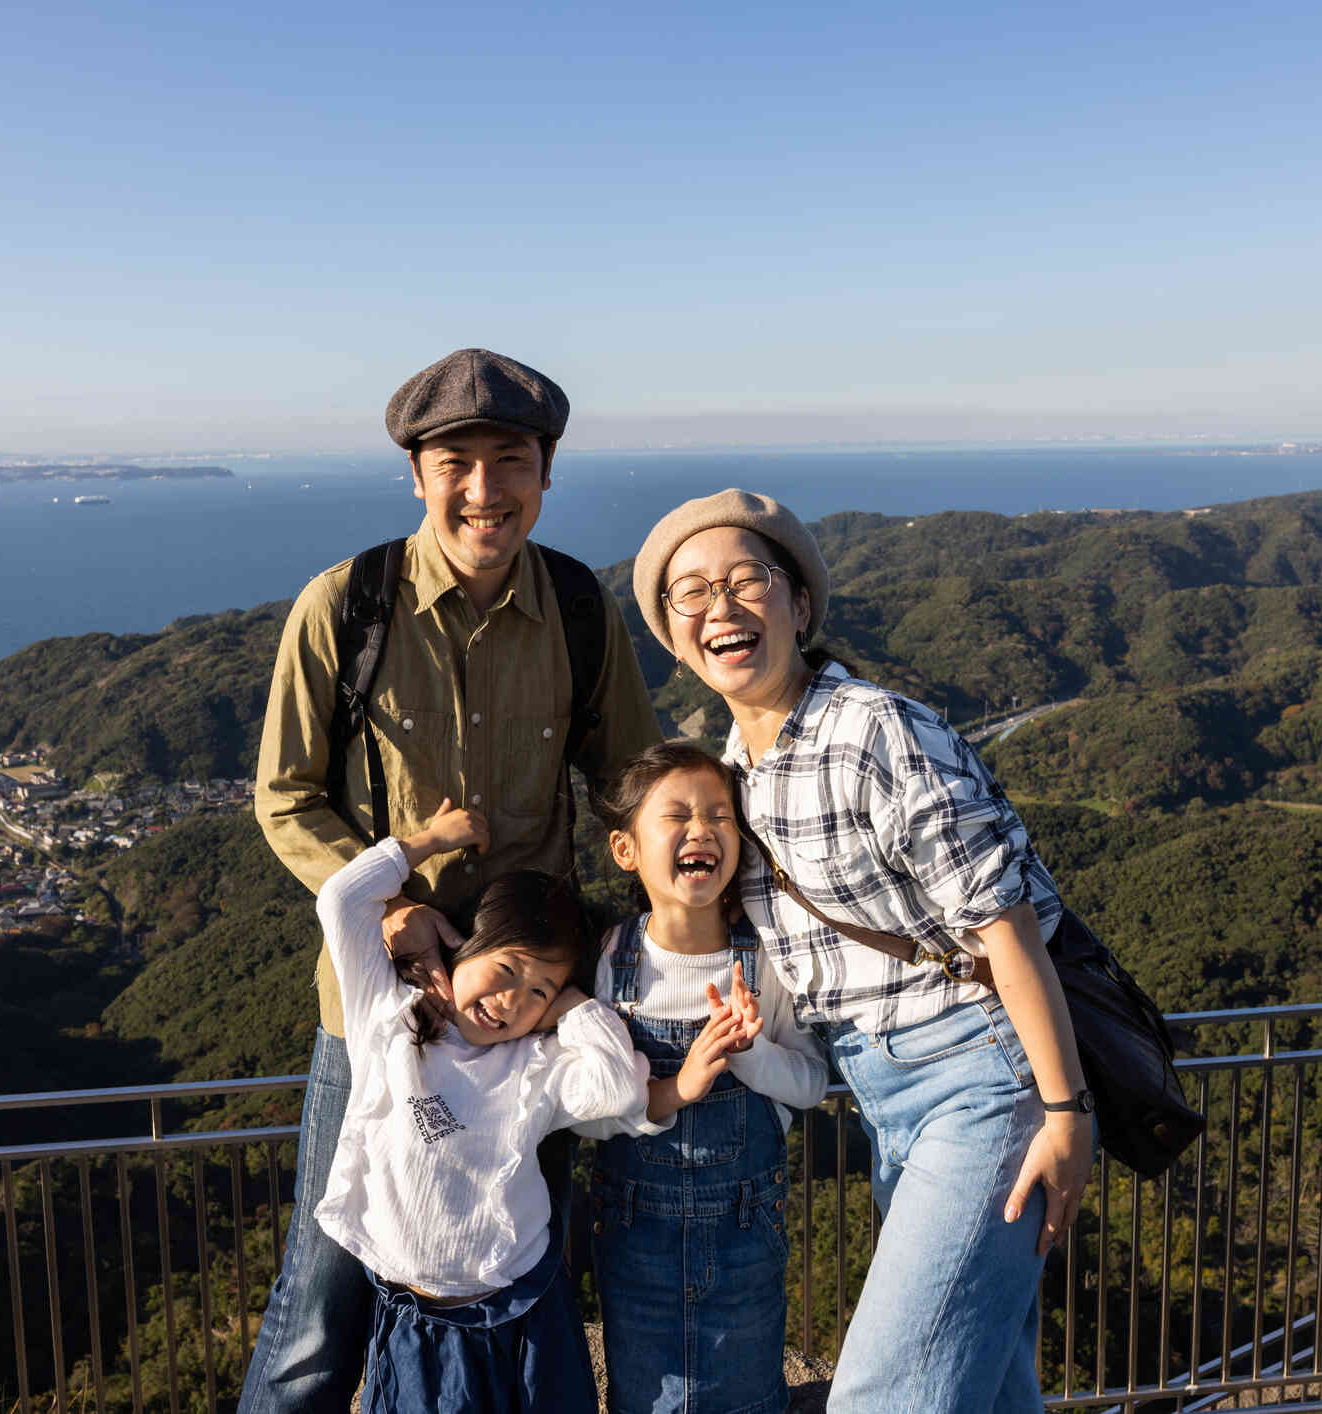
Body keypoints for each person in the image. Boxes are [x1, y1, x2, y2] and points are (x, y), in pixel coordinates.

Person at [243, 348, 661, 1413]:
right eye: (456, 462)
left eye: (509, 460)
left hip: (529, 1011)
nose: (484, 489)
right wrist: (392, 901)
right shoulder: (346, 604)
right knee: (322, 1300)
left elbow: (626, 783)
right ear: (416, 476)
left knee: (517, 1278)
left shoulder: (576, 606)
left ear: (546, 471)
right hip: (384, 1015)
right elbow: (284, 796)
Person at [630, 489, 1096, 1414]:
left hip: (982, 1081)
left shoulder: (874, 729)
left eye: (745, 580)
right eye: (689, 594)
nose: (718, 606)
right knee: (990, 1387)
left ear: (800, 606)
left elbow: (1002, 926)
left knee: (886, 1395)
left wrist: (1065, 1110)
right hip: (884, 1098)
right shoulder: (735, 768)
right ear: (676, 638)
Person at [312, 796, 649, 1413]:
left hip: (522, 1307)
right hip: (416, 1319)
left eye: (537, 991)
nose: (512, 1000)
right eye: (508, 967)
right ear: (467, 943)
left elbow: (618, 1087)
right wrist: (428, 840)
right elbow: (339, 899)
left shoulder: (536, 1066)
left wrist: (573, 1003)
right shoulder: (388, 1017)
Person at [574, 740, 829, 1414]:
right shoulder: (609, 963)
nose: (703, 830)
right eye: (678, 815)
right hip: (636, 1247)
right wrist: (677, 1088)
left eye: (721, 816)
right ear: (625, 849)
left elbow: (808, 1084)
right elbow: (584, 1113)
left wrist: (747, 1054)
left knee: (747, 1395)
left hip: (746, 1241)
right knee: (646, 1399)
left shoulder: (766, 961)